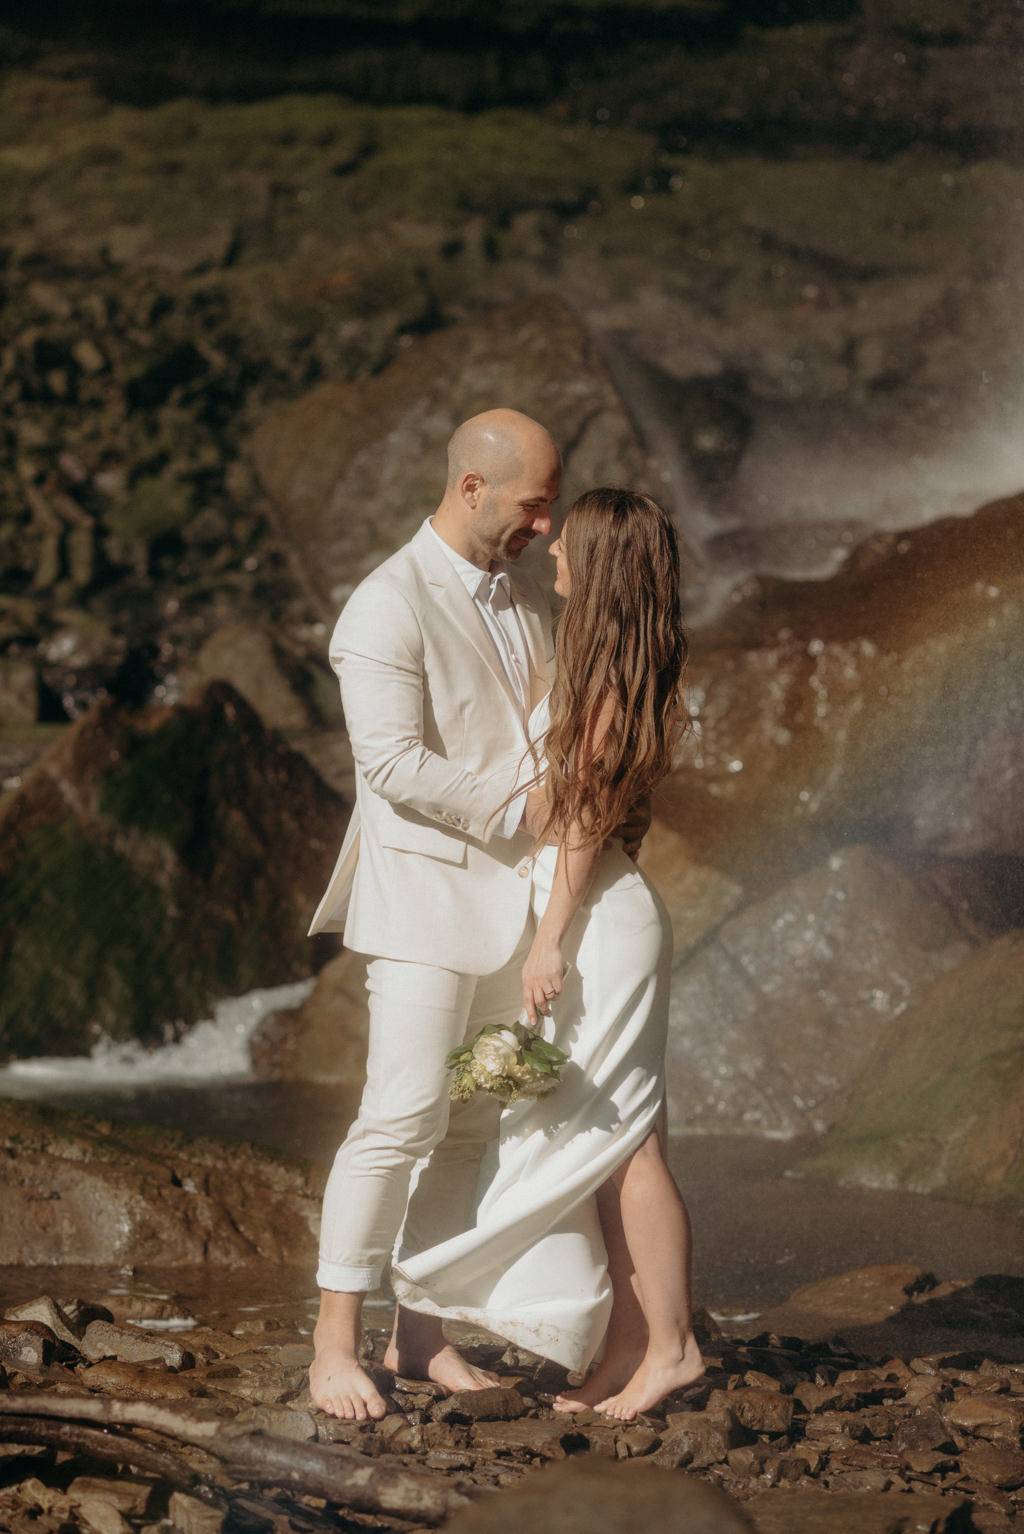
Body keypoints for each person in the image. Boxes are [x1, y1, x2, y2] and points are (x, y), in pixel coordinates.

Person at [306, 410, 647, 1422]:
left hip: (514, 901)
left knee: (464, 1128)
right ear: (470, 487)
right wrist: (523, 809)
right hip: (420, 903)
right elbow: (392, 765)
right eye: (534, 504)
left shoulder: (525, 607)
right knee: (397, 1117)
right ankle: (333, 1343)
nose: (547, 528)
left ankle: (420, 1336)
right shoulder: (382, 607)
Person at [392, 488, 704, 1421]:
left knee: (633, 1145)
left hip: (598, 921)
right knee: (611, 1144)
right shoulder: (609, 665)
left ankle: (675, 1349)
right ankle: (628, 1348)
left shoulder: (607, 685)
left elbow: (579, 820)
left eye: (567, 548)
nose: (552, 555)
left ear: (601, 564)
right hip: (601, 912)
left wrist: (548, 940)